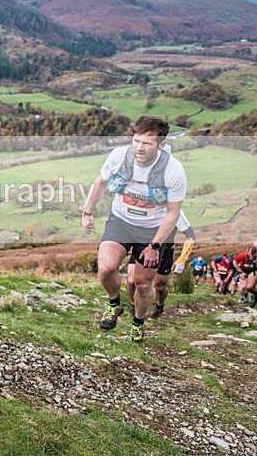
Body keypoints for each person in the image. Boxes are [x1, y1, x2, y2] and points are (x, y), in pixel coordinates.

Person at [81, 115, 186, 342]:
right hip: (121, 221)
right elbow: (101, 182)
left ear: (161, 145)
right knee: (106, 267)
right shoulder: (119, 156)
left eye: (147, 143)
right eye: (136, 141)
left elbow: (173, 213)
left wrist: (155, 246)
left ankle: (138, 322)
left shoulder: (173, 170)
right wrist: (87, 212)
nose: (139, 148)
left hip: (152, 229)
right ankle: (114, 304)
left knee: (142, 283)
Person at [126, 211, 195, 320]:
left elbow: (190, 235)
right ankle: (134, 307)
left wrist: (182, 259)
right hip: (142, 248)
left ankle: (159, 306)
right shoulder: (142, 204)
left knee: (160, 286)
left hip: (165, 251)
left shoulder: (174, 209)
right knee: (131, 281)